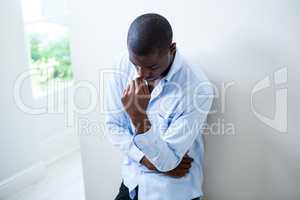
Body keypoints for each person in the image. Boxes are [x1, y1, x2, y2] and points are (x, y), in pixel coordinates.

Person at [105, 13, 213, 200]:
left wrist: (139, 117)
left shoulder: (197, 89)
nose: (141, 74)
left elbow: (169, 161)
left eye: (152, 67)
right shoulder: (121, 65)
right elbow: (113, 126)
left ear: (172, 49)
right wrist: (147, 161)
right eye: (135, 64)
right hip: (132, 183)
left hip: (172, 191)